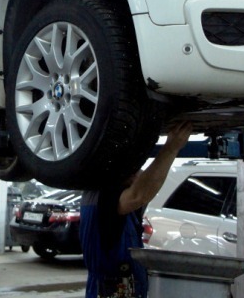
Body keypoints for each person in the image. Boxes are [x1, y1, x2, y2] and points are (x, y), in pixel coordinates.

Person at [79, 121, 193, 298]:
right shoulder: (105, 195)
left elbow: (143, 191)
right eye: (135, 169)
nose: (139, 174)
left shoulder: (107, 196)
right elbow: (139, 194)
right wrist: (171, 148)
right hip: (111, 291)